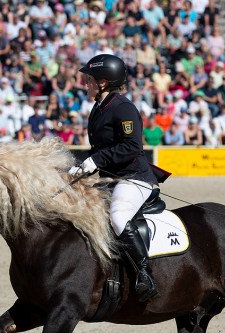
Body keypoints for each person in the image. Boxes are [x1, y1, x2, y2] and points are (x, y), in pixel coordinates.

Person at [68, 54, 161, 302]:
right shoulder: (99, 109)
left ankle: (144, 274)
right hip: (110, 178)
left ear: (103, 82)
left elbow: (131, 147)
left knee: (118, 216)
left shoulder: (124, 108)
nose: (85, 83)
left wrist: (95, 161)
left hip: (134, 177)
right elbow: (98, 149)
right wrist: (77, 166)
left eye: (89, 79)